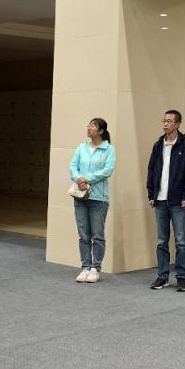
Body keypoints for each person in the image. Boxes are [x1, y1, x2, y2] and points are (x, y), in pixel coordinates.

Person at [145, 109, 185, 292]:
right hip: (160, 200)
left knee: (181, 241)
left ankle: (181, 277)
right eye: (164, 120)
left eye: (169, 121)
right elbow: (151, 170)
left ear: (177, 124)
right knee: (161, 241)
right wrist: (151, 194)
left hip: (178, 200)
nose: (165, 124)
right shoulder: (158, 144)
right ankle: (162, 276)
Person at [69, 118, 116, 283]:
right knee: (83, 235)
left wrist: (86, 179)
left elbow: (107, 170)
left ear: (101, 131)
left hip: (98, 199)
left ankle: (95, 268)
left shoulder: (108, 149)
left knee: (97, 235)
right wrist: (78, 179)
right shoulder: (81, 147)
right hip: (80, 197)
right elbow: (73, 166)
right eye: (89, 125)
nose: (89, 128)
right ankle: (85, 267)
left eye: (93, 126)